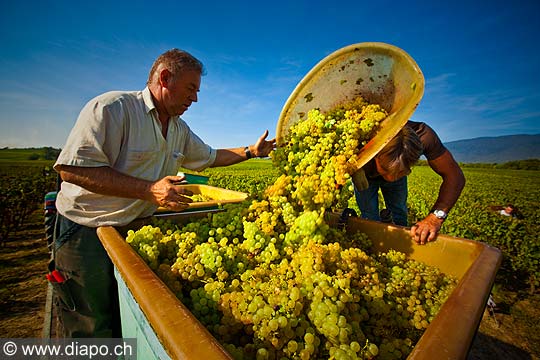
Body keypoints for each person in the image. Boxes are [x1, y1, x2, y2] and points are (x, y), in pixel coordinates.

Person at [52, 49, 276, 337]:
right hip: (86, 233)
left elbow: (210, 156)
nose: (195, 98)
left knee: (127, 321)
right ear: (165, 78)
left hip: (134, 233)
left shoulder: (179, 129)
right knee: (91, 326)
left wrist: (251, 151)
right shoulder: (112, 108)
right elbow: (72, 169)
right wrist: (148, 190)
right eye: (191, 88)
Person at [354, 121, 465, 245]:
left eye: (401, 172)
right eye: (385, 170)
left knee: (399, 212)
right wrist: (354, 170)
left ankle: (399, 244)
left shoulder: (424, 136)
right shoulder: (358, 135)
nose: (390, 178)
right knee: (369, 215)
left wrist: (435, 218)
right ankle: (372, 243)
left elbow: (454, 176)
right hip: (365, 174)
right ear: (375, 155)